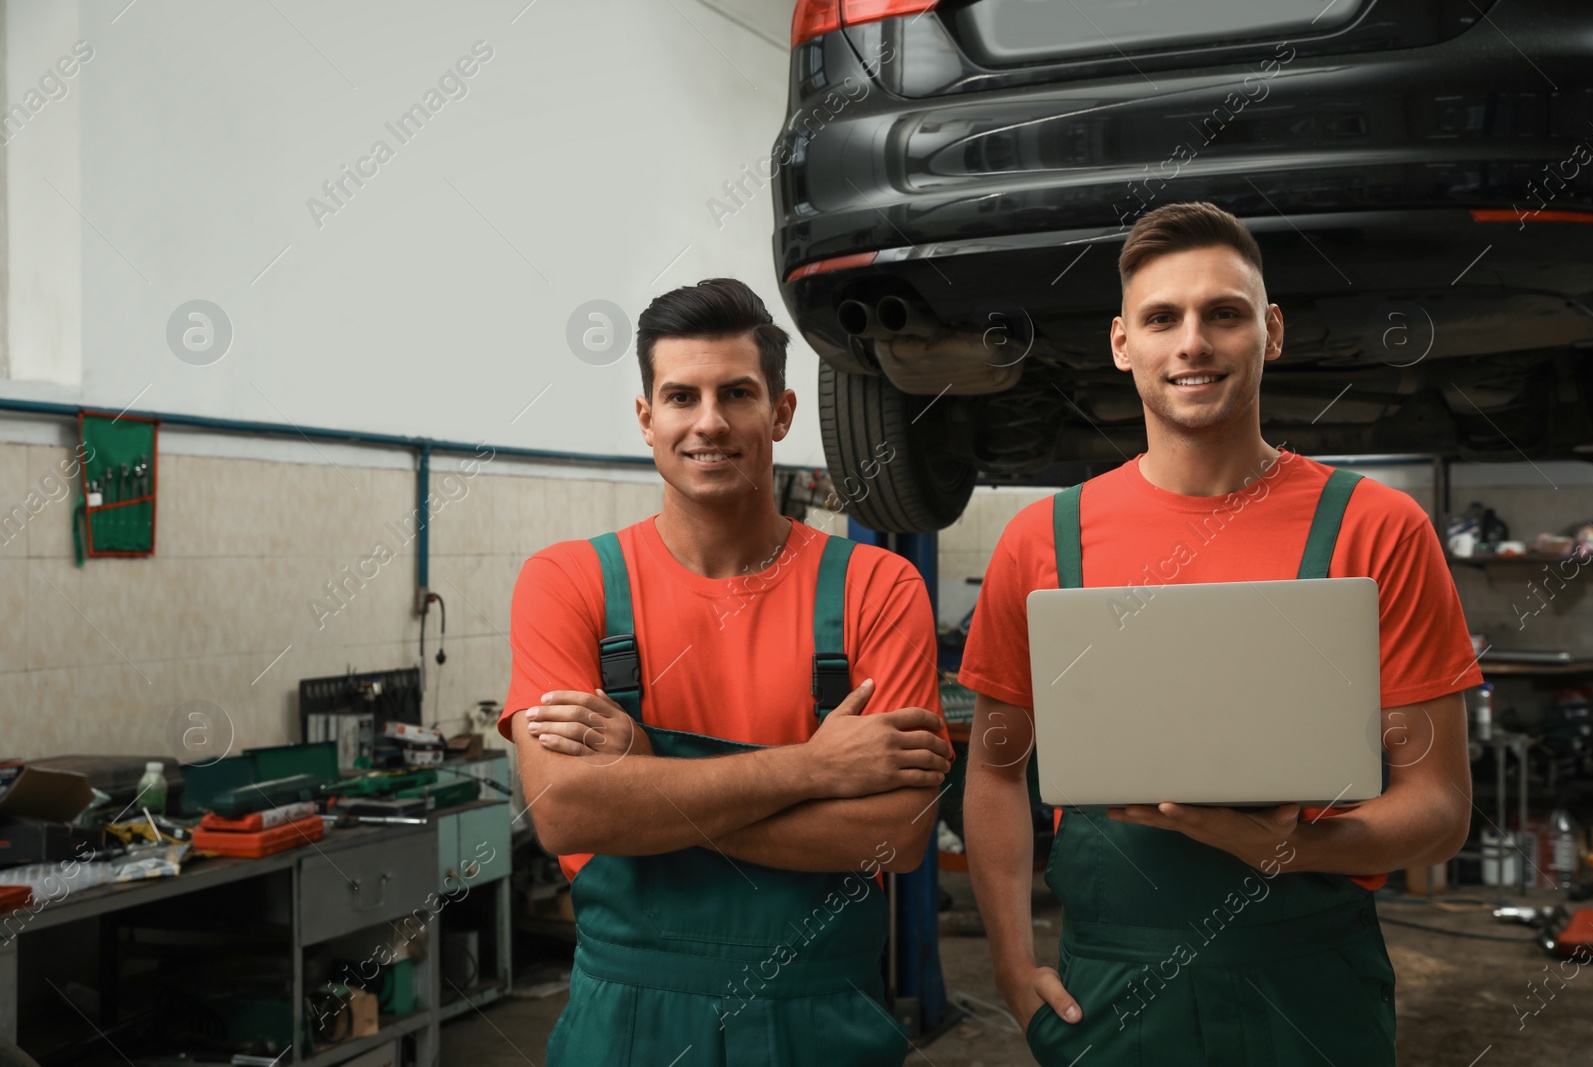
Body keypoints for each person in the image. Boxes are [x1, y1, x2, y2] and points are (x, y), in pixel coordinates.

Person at [960, 202, 1480, 1066]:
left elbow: (1442, 807)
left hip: (1311, 989)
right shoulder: (1042, 540)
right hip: (1113, 994)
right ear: (1123, 343)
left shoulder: (1377, 529)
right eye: (1163, 318)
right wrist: (1014, 968)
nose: (1192, 342)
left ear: (1269, 332)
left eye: (1224, 314)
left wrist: (1300, 847)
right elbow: (993, 770)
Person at [500, 277, 952, 1065]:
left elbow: (896, 834)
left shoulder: (876, 587)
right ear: (647, 419)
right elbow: (569, 812)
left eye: (737, 393)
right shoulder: (567, 582)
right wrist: (815, 767)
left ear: (780, 411)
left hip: (821, 1016)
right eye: (681, 396)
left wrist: (644, 784)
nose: (709, 422)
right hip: (626, 1024)